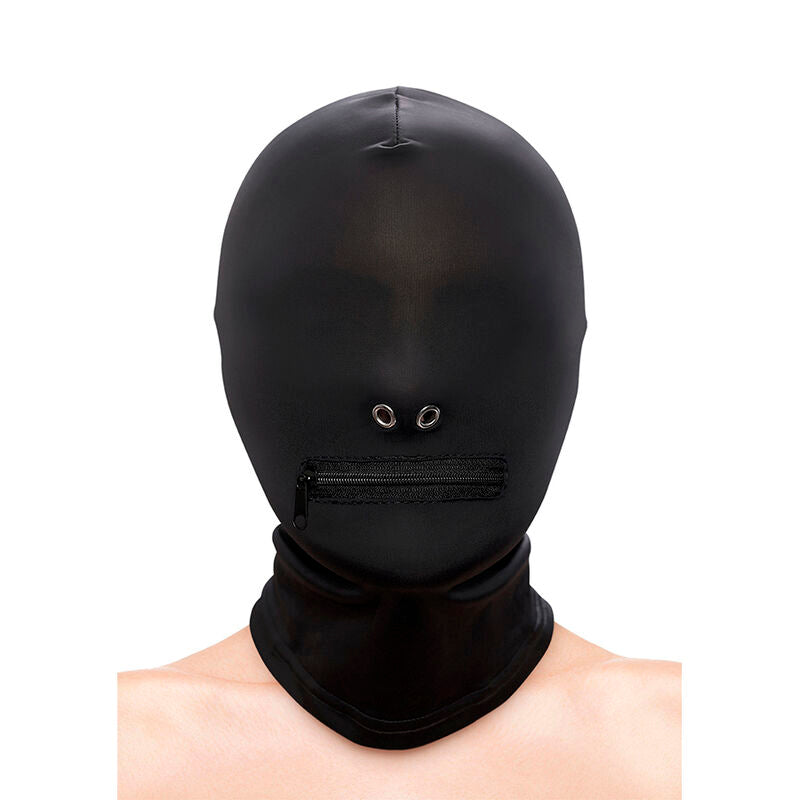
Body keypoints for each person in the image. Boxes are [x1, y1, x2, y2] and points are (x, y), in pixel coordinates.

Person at [118, 87, 681, 799]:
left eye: (474, 319)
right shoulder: (105, 753)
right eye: (335, 320)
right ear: (240, 351)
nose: (409, 393)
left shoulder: (694, 746)